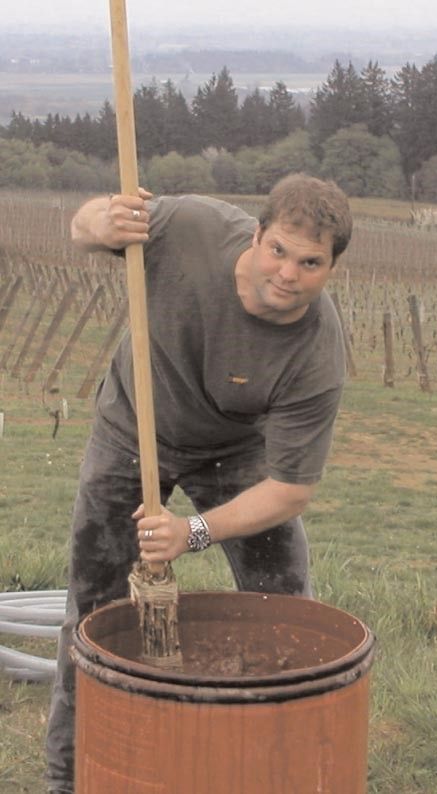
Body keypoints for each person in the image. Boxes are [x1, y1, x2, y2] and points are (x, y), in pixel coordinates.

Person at [46, 173, 352, 792]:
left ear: (332, 267)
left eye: (311, 262)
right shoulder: (190, 227)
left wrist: (196, 530)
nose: (288, 273)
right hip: (132, 428)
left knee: (284, 597)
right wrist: (99, 223)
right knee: (92, 602)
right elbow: (82, 227)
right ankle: (69, 771)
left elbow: (290, 489)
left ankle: (274, 759)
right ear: (257, 234)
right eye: (279, 250)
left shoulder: (316, 351)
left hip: (235, 447)